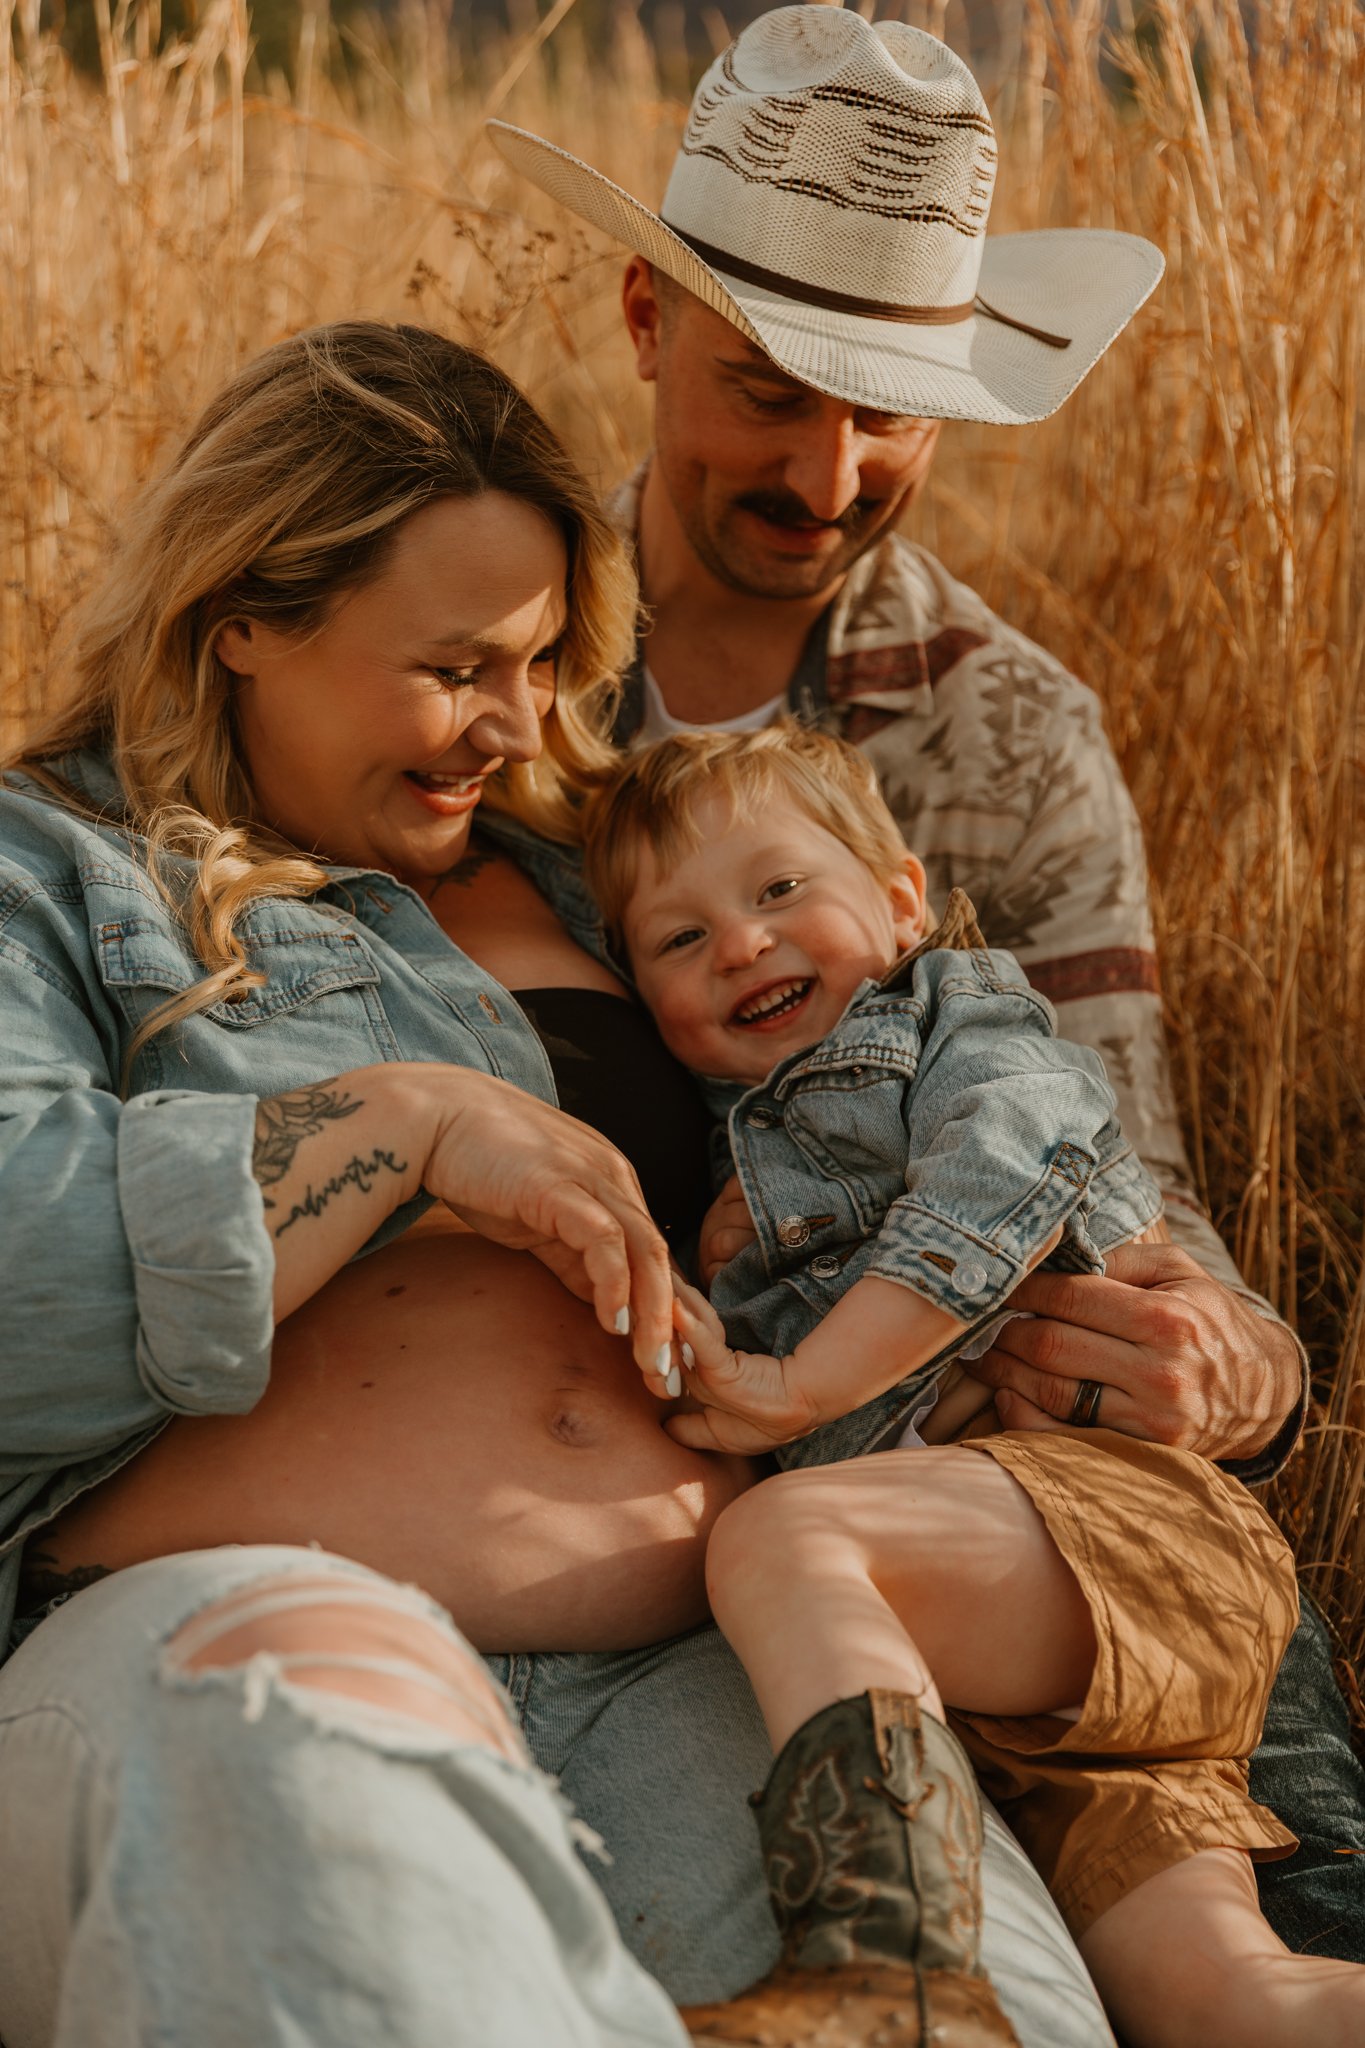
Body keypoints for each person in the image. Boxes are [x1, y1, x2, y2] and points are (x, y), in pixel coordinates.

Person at [0, 320, 1119, 2048]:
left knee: (960, 2015)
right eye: (455, 669)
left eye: (540, 664)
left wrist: (1179, 1313)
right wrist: (411, 1122)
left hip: (705, 1652)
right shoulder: (52, 875)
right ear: (244, 623)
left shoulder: (612, 880)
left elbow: (953, 1077)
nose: (515, 726)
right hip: (233, 1622)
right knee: (355, 1909)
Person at [491, 1, 1365, 1951]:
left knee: (1298, 1935)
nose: (827, 470)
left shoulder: (1008, 735)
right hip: (663, 1511)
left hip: (1040, 1502)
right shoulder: (497, 693)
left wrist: (1232, 1364)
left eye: (889, 408)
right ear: (644, 320)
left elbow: (1132, 1183)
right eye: (771, 388)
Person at [584, 720, 1365, 2048]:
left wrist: (797, 1381)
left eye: (778, 890)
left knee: (783, 1539)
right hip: (1044, 1682)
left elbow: (1006, 1167)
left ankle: (889, 1954)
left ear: (898, 902)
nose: (740, 942)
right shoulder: (732, 1175)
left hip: (1124, 1530)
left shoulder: (956, 1014)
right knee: (1228, 2004)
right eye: (678, 937)